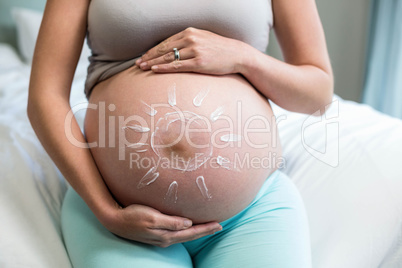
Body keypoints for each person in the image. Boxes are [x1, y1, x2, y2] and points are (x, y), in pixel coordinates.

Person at [28, 0, 333, 267]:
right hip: (119, 213)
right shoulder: (110, 213)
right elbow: (45, 97)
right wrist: (107, 211)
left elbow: (317, 93)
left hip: (250, 211)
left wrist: (243, 57)